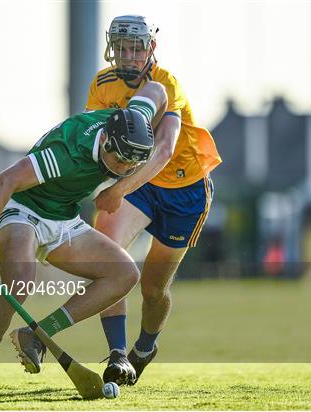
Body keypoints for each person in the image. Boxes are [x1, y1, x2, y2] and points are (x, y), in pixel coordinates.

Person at [0, 81, 167, 398]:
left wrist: (121, 186)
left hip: (64, 218)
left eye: (130, 164)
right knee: (19, 283)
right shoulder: (68, 154)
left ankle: (37, 335)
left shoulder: (131, 125)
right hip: (24, 209)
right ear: (104, 139)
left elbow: (157, 91)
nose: (123, 169)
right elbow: (3, 182)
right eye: (120, 161)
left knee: (125, 273)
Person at [85, 15, 222, 385]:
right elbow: (93, 144)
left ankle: (144, 348)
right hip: (139, 184)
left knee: (153, 288)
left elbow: (162, 151)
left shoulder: (166, 84)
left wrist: (117, 189)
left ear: (151, 48)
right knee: (106, 256)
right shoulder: (102, 84)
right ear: (112, 49)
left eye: (137, 47)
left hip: (185, 189)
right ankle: (117, 355)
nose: (129, 56)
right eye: (123, 48)